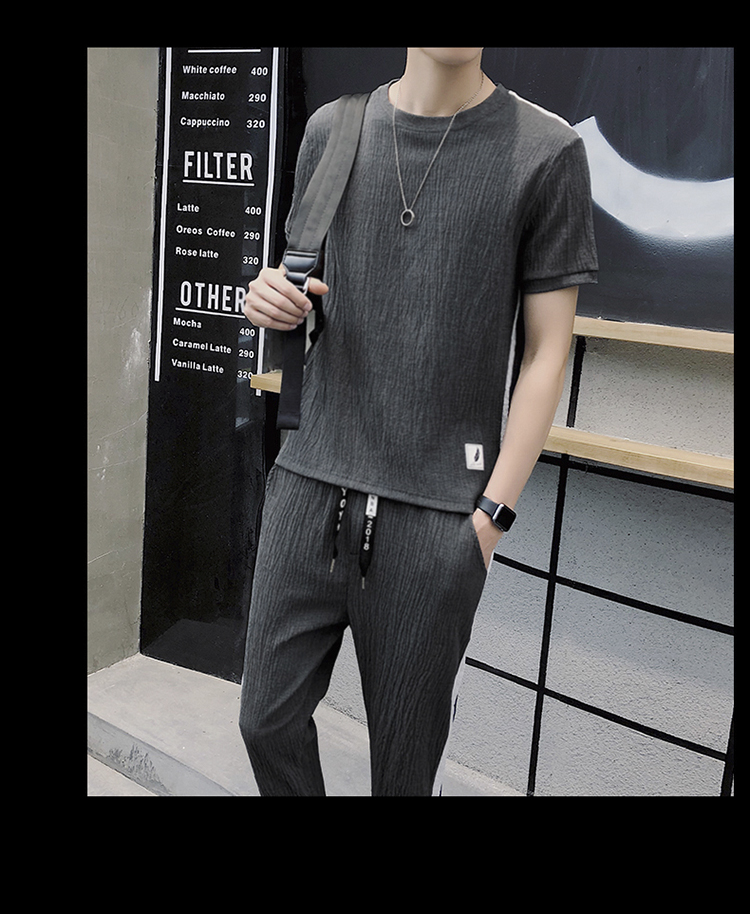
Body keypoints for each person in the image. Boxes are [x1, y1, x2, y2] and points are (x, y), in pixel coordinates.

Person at [239, 47, 598, 796]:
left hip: (435, 519)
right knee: (265, 722)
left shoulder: (546, 152)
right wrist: (270, 297)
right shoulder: (332, 132)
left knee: (404, 772)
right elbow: (307, 290)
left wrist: (489, 519)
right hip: (308, 482)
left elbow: (546, 353)